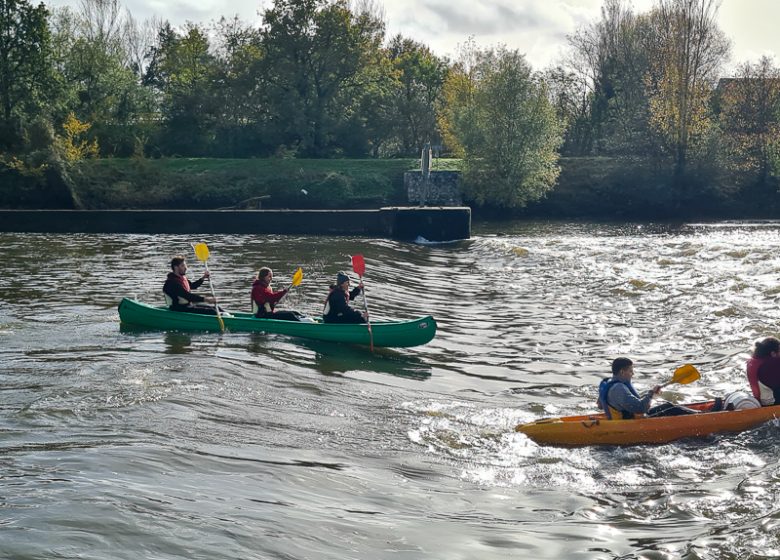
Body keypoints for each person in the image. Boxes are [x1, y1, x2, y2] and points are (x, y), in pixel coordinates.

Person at [597, 357, 706, 419]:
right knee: (673, 409)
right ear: (622, 372)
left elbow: (600, 405)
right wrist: (650, 395)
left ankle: (702, 414)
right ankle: (703, 417)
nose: (632, 374)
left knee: (668, 405)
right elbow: (640, 408)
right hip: (631, 423)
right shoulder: (618, 388)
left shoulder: (608, 384)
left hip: (627, 418)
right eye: (630, 371)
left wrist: (651, 394)